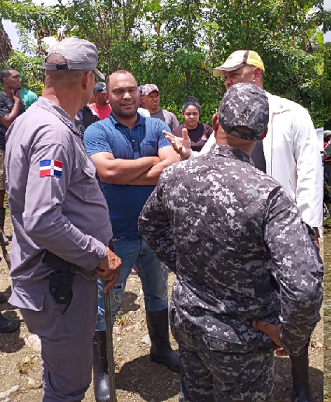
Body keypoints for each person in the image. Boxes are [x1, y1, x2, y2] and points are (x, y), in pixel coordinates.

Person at [139, 83, 323, 401]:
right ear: (262, 134)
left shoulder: (176, 176)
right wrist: (290, 337)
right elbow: (304, 285)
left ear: (214, 122)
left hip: (189, 320)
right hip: (243, 338)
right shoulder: (269, 195)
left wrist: (184, 267)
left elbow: (149, 225)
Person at [5, 37, 122, 400]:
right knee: (69, 389)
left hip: (59, 278)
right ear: (88, 80)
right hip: (61, 284)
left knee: (59, 377)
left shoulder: (33, 120)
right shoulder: (53, 134)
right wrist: (97, 253)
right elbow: (43, 219)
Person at [83, 70, 181, 399]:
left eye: (131, 90)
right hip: (114, 234)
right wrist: (151, 161)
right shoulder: (96, 130)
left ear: (139, 94)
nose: (126, 96)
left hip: (155, 231)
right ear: (107, 96)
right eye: (118, 91)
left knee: (158, 294)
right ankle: (104, 373)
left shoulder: (157, 126)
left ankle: (161, 349)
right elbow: (106, 171)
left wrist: (126, 174)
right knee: (104, 305)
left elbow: (170, 166)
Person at [164, 50, 323, 243]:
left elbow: (310, 171)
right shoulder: (226, 118)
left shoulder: (292, 114)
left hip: (282, 223)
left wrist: (309, 224)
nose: (227, 82)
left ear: (256, 74)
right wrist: (188, 153)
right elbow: (212, 161)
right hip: (238, 226)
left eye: (234, 75)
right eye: (225, 77)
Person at [0, 67, 26, 236]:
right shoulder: (1, 99)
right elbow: (8, 122)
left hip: (18, 150)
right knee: (1, 191)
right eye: (15, 77)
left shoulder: (20, 101)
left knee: (17, 188)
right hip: (3, 150)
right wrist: (16, 102)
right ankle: (1, 231)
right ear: (5, 80)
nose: (19, 80)